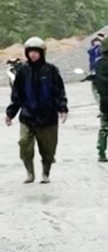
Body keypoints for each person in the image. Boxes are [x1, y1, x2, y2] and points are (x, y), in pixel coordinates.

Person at [5, 37, 68, 184]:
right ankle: (30, 172)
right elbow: (17, 94)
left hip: (48, 116)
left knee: (48, 149)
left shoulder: (51, 70)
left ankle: (46, 172)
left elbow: (59, 92)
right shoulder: (22, 71)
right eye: (30, 52)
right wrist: (10, 113)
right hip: (28, 115)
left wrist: (62, 109)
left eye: (36, 52)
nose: (33, 55)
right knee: (24, 143)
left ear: (42, 52)